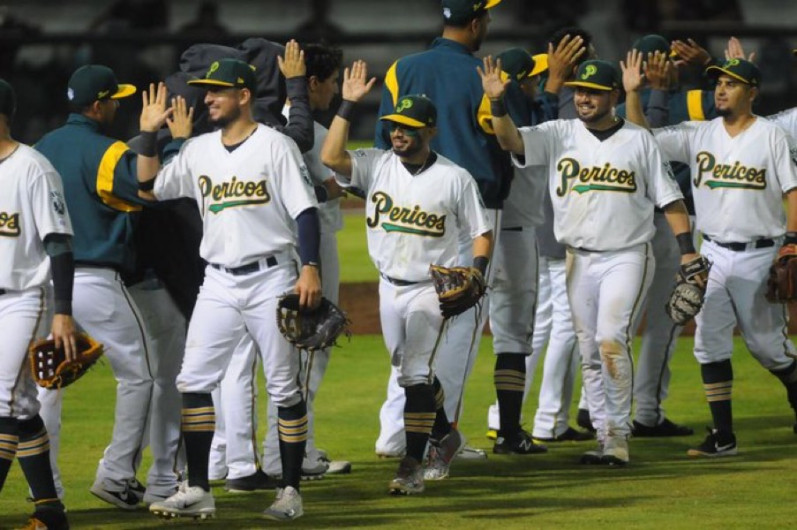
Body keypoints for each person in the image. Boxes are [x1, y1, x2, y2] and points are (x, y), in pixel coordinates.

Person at [480, 56, 698, 466]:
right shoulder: (559, 133)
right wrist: (497, 103)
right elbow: (510, 141)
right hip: (577, 258)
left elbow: (671, 199)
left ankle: (617, 436)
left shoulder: (638, 140)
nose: (583, 98)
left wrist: (687, 249)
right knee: (590, 351)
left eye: (594, 92)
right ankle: (604, 436)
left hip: (627, 255)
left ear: (614, 96)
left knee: (612, 339)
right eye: (579, 90)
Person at [137, 58, 321, 520]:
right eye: (206, 91)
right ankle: (199, 487)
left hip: (271, 277)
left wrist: (311, 268)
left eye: (217, 90)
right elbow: (149, 189)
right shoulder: (198, 149)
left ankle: (291, 491)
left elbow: (305, 212)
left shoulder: (275, 146)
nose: (207, 98)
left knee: (283, 387)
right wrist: (147, 134)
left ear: (244, 95)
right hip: (216, 280)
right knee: (193, 380)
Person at [321, 63, 492, 493]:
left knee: (415, 373)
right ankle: (446, 436)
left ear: (430, 130)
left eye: (408, 127)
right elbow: (330, 157)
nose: (397, 133)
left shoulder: (454, 178)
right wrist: (348, 104)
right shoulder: (376, 165)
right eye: (394, 125)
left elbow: (482, 233)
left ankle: (413, 465)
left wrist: (476, 272)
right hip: (387, 287)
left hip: (429, 291)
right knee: (407, 372)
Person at [624, 58, 797, 456]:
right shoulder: (698, 134)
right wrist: (633, 92)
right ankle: (723, 437)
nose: (721, 89)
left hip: (759, 253)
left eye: (731, 84)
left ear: (752, 92)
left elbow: (792, 190)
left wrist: (791, 241)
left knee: (768, 349)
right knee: (709, 345)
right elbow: (640, 137)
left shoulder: (770, 135)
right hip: (712, 253)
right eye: (718, 82)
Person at [35, 64, 181, 508]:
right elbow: (150, 189)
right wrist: (155, 137)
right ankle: (117, 475)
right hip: (94, 278)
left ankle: (46, 485)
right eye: (113, 98)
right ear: (98, 105)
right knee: (139, 375)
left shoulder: (40, 148)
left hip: (41, 283)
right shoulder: (107, 151)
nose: (117, 103)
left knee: (45, 386)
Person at [372, 0, 505, 461]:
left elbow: (380, 144)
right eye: (485, 17)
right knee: (455, 333)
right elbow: (506, 142)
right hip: (471, 210)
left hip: (408, 201)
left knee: (406, 341)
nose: (487, 24)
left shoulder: (399, 69)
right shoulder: (485, 75)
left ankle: (395, 433)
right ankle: (439, 439)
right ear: (474, 23)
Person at [484, 43, 593, 446]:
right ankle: (518, 428)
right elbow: (536, 133)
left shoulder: (487, 118)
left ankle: (417, 433)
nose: (536, 84)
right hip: (518, 237)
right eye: (530, 78)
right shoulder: (523, 124)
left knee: (456, 337)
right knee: (518, 336)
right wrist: (552, 87)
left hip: (481, 234)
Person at [263, 42, 351, 480]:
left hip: (281, 252)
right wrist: (328, 191)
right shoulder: (307, 135)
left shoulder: (265, 127)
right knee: (311, 348)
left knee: (280, 358)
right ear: (311, 82)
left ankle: (266, 453)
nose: (334, 90)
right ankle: (296, 452)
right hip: (308, 252)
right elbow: (291, 200)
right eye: (331, 81)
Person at [0, 78, 74, 530]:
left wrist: (62, 312)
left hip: (23, 299)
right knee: (23, 409)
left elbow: (60, 244)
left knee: (4, 404)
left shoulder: (33, 168)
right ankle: (49, 511)